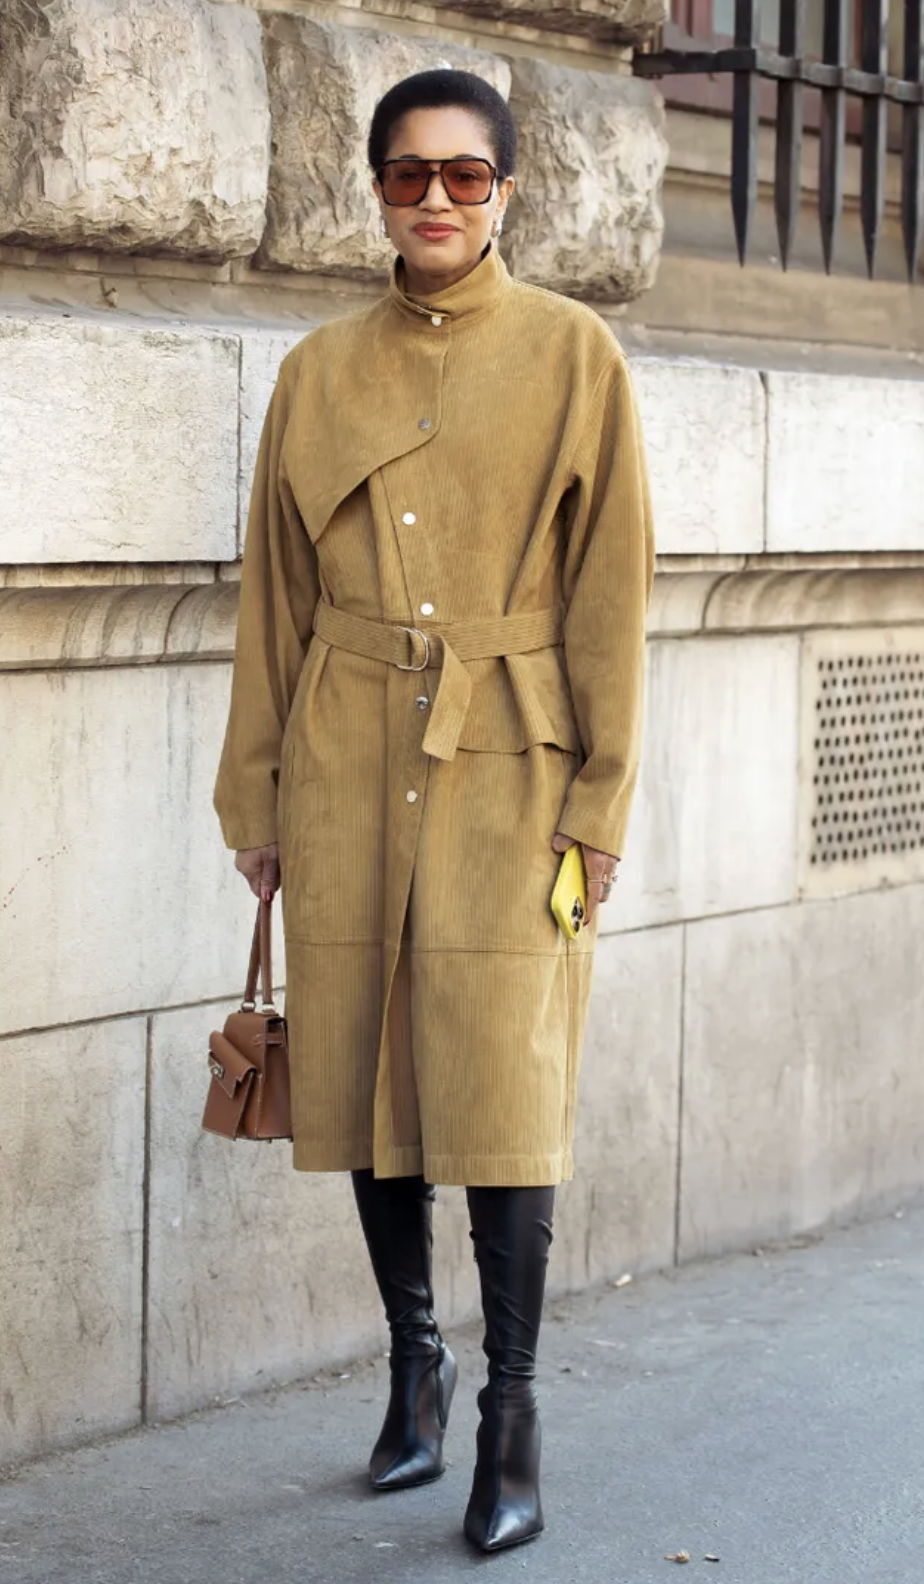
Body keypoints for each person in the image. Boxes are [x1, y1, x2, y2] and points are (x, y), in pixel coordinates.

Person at [214, 67, 654, 1554]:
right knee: (366, 1075)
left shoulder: (576, 356)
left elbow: (611, 601)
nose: (437, 202)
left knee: (508, 1093)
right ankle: (418, 1370)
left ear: (509, 190)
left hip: (514, 772)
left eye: (467, 176)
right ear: (378, 190)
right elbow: (273, 605)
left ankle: (512, 1413)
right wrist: (257, 796)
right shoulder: (316, 371)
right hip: (343, 764)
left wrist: (599, 803)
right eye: (410, 176)